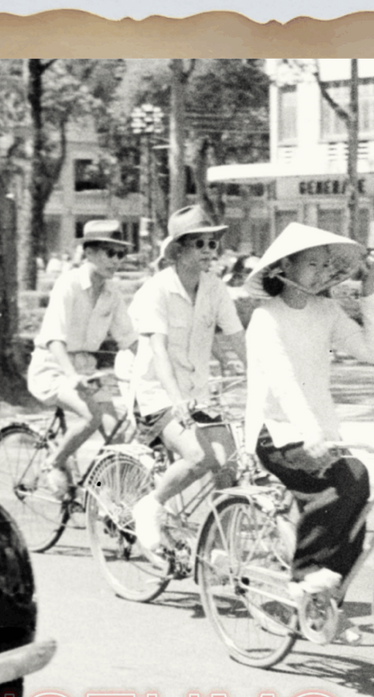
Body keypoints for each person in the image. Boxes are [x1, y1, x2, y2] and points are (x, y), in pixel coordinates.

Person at [240, 223, 374, 597]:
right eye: (311, 264)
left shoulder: (327, 311)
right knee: (342, 482)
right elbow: (283, 383)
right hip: (275, 433)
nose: (320, 273)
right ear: (284, 267)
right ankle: (305, 574)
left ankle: (328, 587)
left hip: (317, 433)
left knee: (358, 481)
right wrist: (311, 432)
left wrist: (368, 291)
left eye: (325, 265)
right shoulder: (265, 318)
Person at [126, 205, 247, 552]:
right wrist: (176, 399)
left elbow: (237, 338)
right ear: (179, 250)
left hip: (199, 394)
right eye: (199, 244)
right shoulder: (156, 290)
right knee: (198, 456)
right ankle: (150, 504)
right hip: (158, 395)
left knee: (230, 464)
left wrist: (267, 383)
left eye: (212, 244)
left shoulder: (215, 288)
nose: (209, 251)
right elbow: (159, 352)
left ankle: (220, 548)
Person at [25, 219, 138, 496]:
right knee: (92, 416)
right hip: (53, 369)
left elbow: (130, 339)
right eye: (109, 253)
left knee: (119, 434)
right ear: (89, 253)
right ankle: (53, 462)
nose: (116, 260)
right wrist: (71, 375)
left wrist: (161, 368)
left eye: (120, 254)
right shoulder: (69, 284)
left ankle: (106, 495)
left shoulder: (112, 292)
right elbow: (53, 338)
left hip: (87, 372)